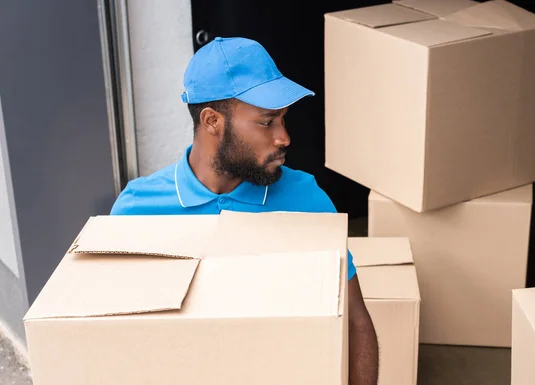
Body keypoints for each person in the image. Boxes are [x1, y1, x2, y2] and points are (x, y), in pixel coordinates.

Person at [110, 36, 379, 384]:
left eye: (283, 119)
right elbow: (117, 338)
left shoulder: (306, 199)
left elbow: (356, 322)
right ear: (211, 121)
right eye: (267, 122)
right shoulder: (136, 212)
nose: (284, 137)